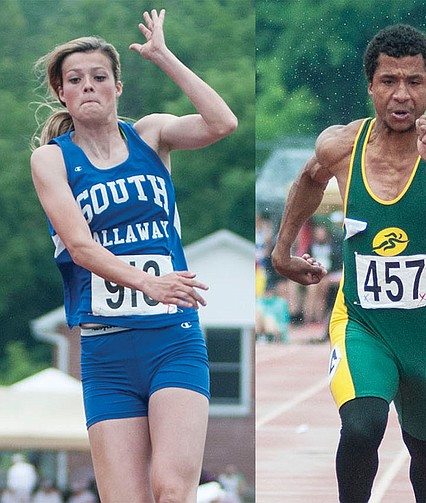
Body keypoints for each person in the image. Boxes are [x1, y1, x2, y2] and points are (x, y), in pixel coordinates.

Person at [271, 23, 426, 502]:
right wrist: (282, 251)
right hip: (364, 324)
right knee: (362, 427)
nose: (401, 95)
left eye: (414, 82)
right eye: (389, 82)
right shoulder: (340, 144)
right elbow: (307, 179)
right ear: (371, 87)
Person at [30, 9, 237, 502]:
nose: (88, 87)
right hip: (106, 350)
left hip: (172, 340)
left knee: (171, 491)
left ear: (117, 85)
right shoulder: (52, 160)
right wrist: (148, 283)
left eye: (99, 78)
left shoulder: (150, 134)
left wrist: (165, 57)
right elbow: (80, 247)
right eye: (75, 80)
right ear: (62, 92)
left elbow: (222, 122)